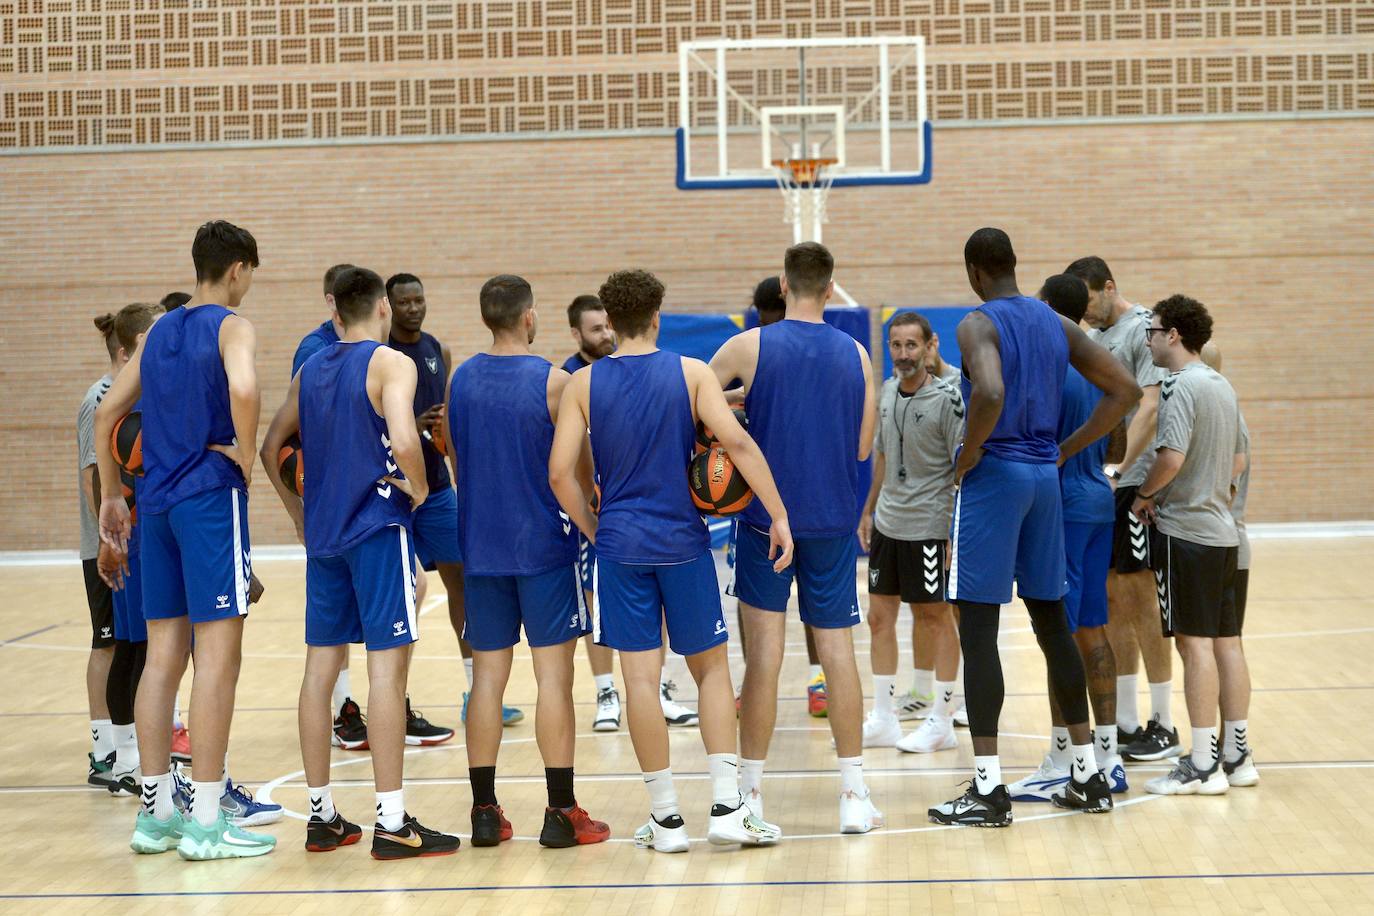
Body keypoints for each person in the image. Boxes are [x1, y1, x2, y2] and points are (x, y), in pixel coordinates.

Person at [550, 268, 790, 852]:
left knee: (639, 680)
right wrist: (779, 515)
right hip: (683, 544)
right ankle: (728, 809)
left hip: (620, 548)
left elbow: (560, 474)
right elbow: (737, 443)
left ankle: (665, 821)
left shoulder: (582, 384)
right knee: (710, 670)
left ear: (610, 323)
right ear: (657, 316)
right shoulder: (691, 373)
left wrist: (594, 526)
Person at [928, 229, 1139, 827]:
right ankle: (1086, 774)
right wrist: (1068, 447)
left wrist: (970, 450)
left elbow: (989, 390)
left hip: (996, 479)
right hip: (1047, 479)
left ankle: (988, 789)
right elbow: (1124, 389)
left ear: (973, 271)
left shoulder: (976, 324)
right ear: (1014, 266)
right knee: (1053, 621)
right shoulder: (1057, 325)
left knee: (978, 625)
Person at [260, 266, 460, 858]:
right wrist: (420, 489)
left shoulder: (310, 369)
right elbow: (403, 439)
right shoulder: (387, 363)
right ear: (381, 310)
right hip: (376, 530)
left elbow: (273, 449)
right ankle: (393, 822)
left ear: (334, 311)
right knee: (386, 674)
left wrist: (298, 515)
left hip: (325, 535)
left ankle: (321, 817)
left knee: (320, 672)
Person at [95, 220, 276, 859]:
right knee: (219, 659)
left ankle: (155, 815)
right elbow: (247, 387)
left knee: (163, 656)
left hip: (159, 508)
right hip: (207, 498)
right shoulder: (231, 325)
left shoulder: (161, 330)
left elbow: (108, 412)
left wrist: (113, 494)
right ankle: (205, 819)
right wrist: (244, 462)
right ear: (237, 270)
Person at [710, 243, 883, 834]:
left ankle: (750, 797)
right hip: (832, 521)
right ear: (831, 289)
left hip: (764, 521)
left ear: (783, 285)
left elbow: (694, 406)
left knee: (764, 660)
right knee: (836, 654)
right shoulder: (859, 354)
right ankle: (855, 795)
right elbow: (863, 448)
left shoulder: (747, 346)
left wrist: (739, 405)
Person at [447, 275, 611, 848]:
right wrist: (591, 525)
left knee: (487, 681)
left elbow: (457, 462)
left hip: (482, 550)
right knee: (553, 682)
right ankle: (561, 811)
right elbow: (578, 471)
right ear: (528, 317)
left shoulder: (461, 379)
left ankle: (484, 813)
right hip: (543, 548)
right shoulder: (555, 382)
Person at [1008, 275, 1128, 802]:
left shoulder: (1051, 365)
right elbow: (1119, 432)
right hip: (1098, 497)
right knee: (1093, 630)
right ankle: (1109, 755)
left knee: (1059, 633)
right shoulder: (1099, 359)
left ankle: (1063, 756)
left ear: (1047, 310)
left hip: (1061, 507)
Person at [1133, 296, 1255, 795]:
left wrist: (1144, 495)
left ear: (1174, 335)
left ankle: (1202, 764)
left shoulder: (1180, 386)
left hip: (1188, 533)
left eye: (1153, 331)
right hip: (1225, 533)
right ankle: (1236, 754)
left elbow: (1172, 457)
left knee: (1194, 644)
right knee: (1227, 642)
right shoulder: (1221, 385)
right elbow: (1238, 461)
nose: (1149, 340)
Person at [387, 272, 518, 732]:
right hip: (397, 489)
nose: (413, 308)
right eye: (404, 302)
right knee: (401, 594)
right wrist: (408, 422)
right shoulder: (383, 356)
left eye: (419, 300)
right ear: (388, 306)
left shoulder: (436, 350)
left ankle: (474, 690)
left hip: (438, 488)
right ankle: (394, 702)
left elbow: (444, 413)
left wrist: (443, 426)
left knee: (464, 581)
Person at [1065, 257, 1178, 761]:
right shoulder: (1096, 338)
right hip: (1103, 487)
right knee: (1110, 599)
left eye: (1090, 302)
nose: (1086, 315)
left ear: (1109, 287)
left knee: (1141, 597)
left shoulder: (1141, 329)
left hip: (1132, 483)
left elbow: (1150, 407)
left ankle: (1164, 721)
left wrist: (1117, 472)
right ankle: (1127, 719)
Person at [857, 311, 963, 754]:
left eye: (911, 346)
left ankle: (942, 720)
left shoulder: (948, 400)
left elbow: (963, 466)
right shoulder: (885, 393)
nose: (903, 355)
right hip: (887, 523)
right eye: (896, 346)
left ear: (930, 346)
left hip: (928, 526)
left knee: (934, 617)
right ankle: (883, 717)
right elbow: (881, 456)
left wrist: (954, 529)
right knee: (879, 617)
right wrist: (868, 510)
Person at [733, 276, 831, 718]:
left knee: (760, 603)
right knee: (761, 601)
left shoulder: (752, 347)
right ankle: (806, 680)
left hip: (775, 502)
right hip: (782, 499)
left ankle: (810, 679)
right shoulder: (750, 348)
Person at [562, 294, 623, 731]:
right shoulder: (566, 380)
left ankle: (656, 688)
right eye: (596, 328)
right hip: (590, 507)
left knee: (652, 598)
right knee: (594, 598)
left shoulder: (625, 367)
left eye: (608, 326)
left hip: (631, 500)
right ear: (576, 334)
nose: (605, 334)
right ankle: (605, 690)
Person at [79, 314, 120, 788]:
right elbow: (94, 476)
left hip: (117, 543)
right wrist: (109, 539)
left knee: (122, 644)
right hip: (102, 547)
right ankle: (102, 750)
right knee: (105, 643)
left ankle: (121, 744)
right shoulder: (99, 398)